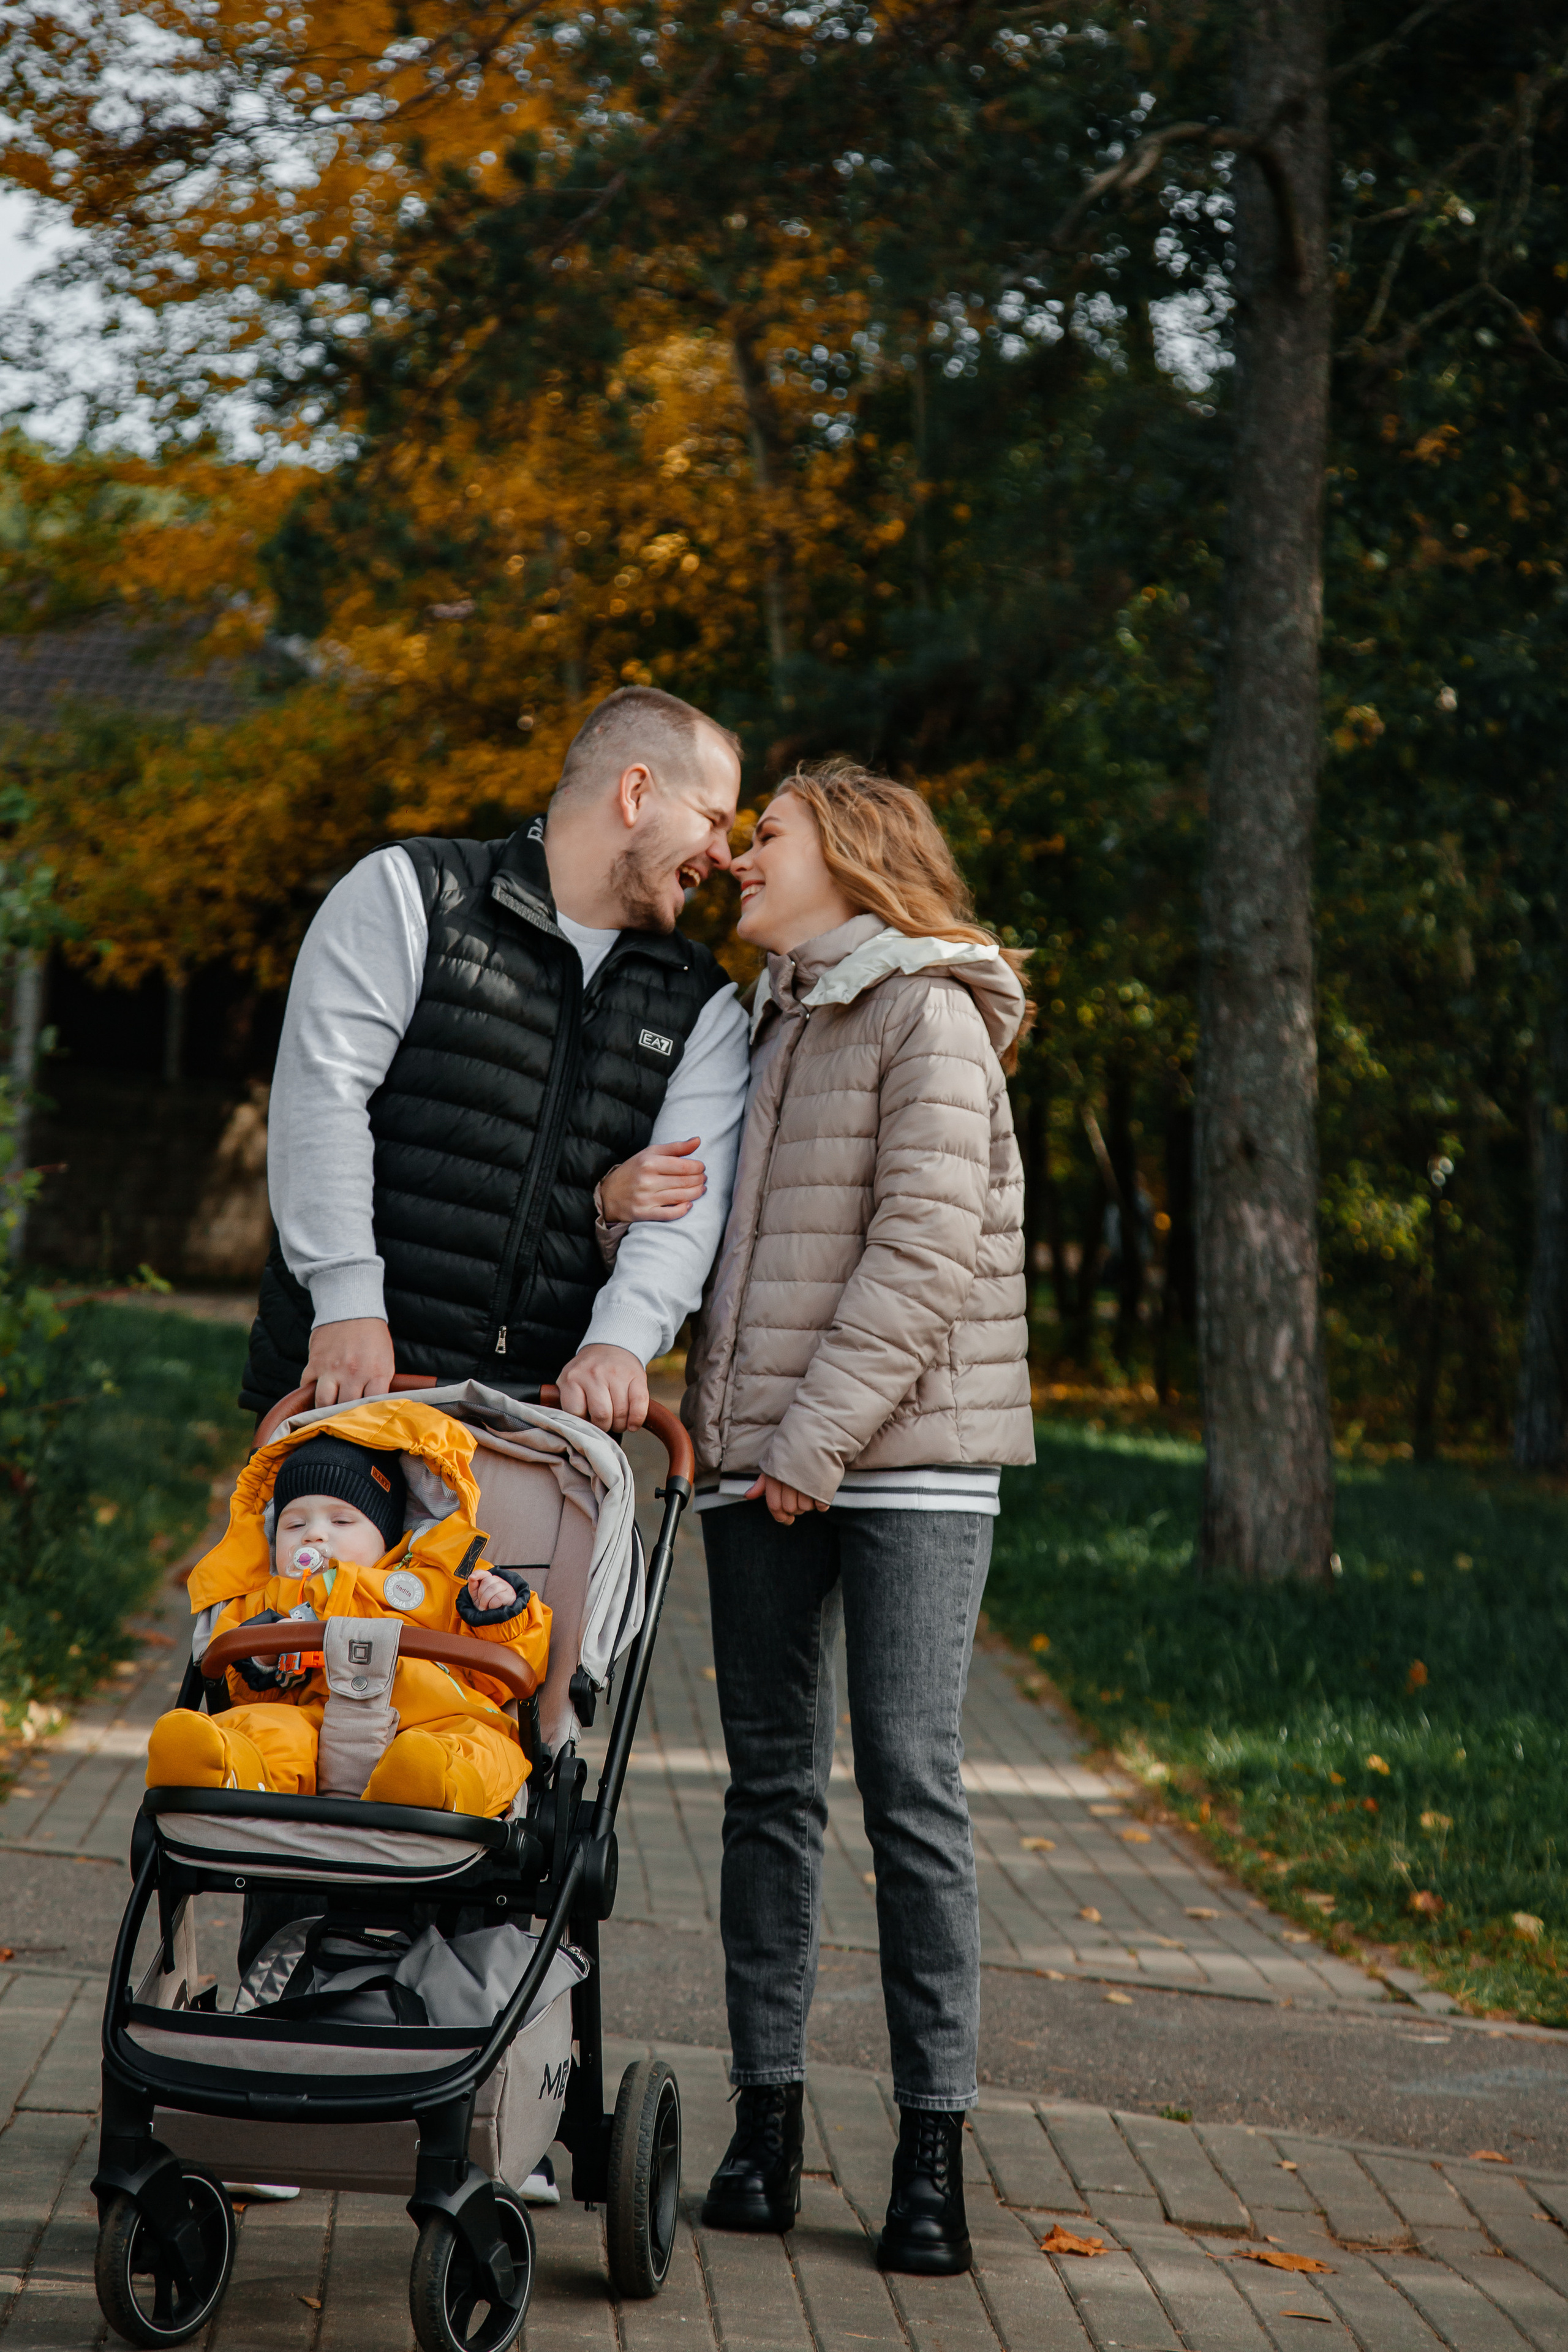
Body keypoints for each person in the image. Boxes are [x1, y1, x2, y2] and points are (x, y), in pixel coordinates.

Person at [684, 761, 1035, 2277]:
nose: (738, 855)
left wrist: (815, 1437)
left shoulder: (927, 1012)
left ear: (852, 852)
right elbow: (712, 1221)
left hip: (905, 1454)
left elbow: (924, 1242)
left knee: (908, 1785)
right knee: (766, 1790)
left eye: (764, 833)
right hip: (758, 1455)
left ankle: (931, 2149)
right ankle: (764, 2126)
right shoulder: (754, 1019)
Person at [239, 684, 751, 1435]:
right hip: (353, 1393)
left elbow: (686, 1208)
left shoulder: (701, 1004)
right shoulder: (411, 894)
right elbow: (322, 1099)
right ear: (636, 793)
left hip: (540, 1427)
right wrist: (345, 1305)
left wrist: (620, 1344)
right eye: (713, 820)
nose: (723, 856)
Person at [146, 1409, 550, 1815]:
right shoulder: (269, 1600)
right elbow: (231, 1688)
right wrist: (262, 1660)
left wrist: (501, 1614)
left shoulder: (443, 1580)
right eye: (293, 1525)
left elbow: (510, 1677)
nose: (314, 1535)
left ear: (388, 1533)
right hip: (312, 1726)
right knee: (260, 1728)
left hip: (430, 1719)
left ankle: (434, 1786)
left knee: (485, 1746)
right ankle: (223, 1769)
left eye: (341, 1520)